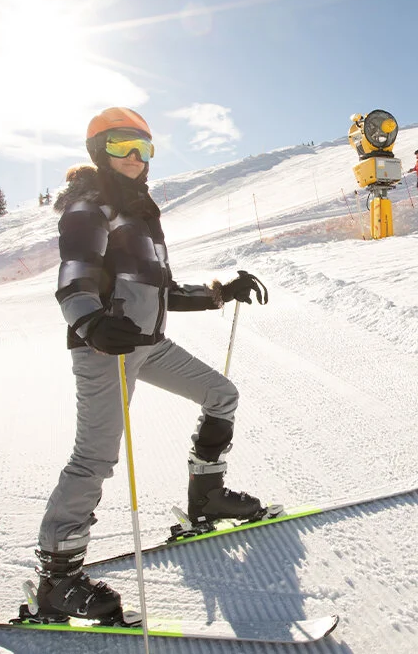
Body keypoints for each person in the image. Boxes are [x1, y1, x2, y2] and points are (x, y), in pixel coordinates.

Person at [34, 106, 270, 623]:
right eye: (122, 146)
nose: (136, 157)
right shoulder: (89, 209)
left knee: (221, 394)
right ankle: (56, 578)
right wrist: (90, 323)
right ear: (100, 151)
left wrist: (220, 293)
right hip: (105, 349)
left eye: (144, 147)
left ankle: (206, 497)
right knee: (94, 458)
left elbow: (159, 290)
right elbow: (73, 278)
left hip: (150, 343)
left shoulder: (141, 212)